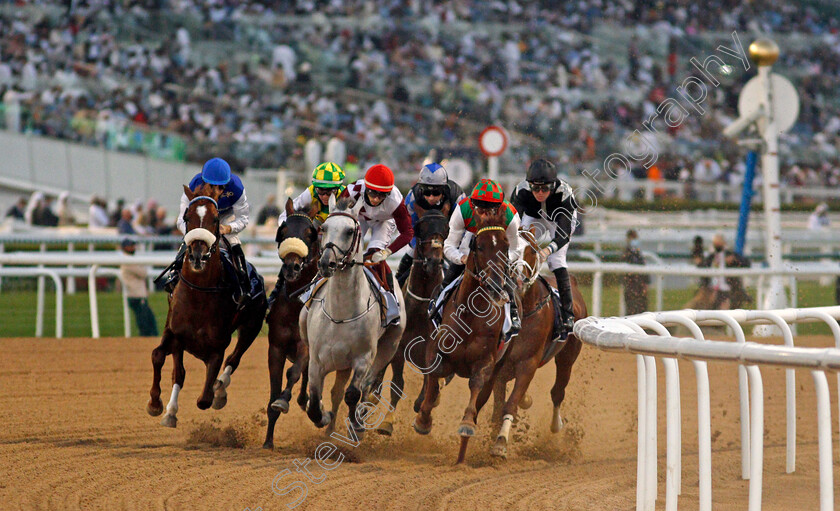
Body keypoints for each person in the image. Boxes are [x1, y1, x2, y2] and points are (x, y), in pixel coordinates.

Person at [432, 178, 522, 335]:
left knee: (508, 279)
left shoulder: (510, 217)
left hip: (497, 251)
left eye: (490, 211)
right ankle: (438, 306)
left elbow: (516, 250)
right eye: (480, 210)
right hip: (471, 243)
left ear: (499, 209)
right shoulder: (463, 209)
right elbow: (449, 246)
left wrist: (498, 262)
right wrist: (462, 259)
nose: (484, 216)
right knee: (449, 278)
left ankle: (513, 312)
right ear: (472, 205)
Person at [163, 158, 252, 307]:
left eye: (221, 187)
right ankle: (173, 274)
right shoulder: (194, 185)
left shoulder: (236, 188)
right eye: (212, 186)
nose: (216, 191)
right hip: (202, 219)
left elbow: (243, 218)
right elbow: (181, 219)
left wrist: (228, 228)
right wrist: (195, 232)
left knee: (233, 242)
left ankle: (243, 285)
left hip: (225, 218)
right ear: (204, 182)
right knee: (189, 241)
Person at [511, 158, 578, 334]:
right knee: (516, 251)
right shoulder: (520, 191)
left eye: (545, 188)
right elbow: (511, 225)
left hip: (559, 221)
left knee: (556, 260)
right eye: (535, 188)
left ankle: (567, 315)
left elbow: (563, 235)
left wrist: (547, 250)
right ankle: (511, 306)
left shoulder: (564, 194)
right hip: (535, 217)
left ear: (553, 185)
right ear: (529, 185)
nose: (540, 192)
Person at [345, 164, 414, 293]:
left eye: (382, 195)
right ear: (366, 188)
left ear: (388, 193)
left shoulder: (396, 201)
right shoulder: (352, 190)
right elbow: (336, 216)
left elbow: (407, 233)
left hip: (384, 221)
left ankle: (391, 296)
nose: (376, 199)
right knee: (347, 251)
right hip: (359, 217)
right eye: (372, 193)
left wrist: (387, 252)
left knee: (374, 257)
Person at [395, 162, 465, 285]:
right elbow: (408, 227)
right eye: (427, 192)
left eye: (436, 192)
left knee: (461, 255)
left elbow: (463, 226)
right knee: (411, 251)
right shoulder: (413, 197)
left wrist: (449, 246)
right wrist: (419, 246)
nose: (431, 197)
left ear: (444, 190)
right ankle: (397, 285)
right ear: (421, 189)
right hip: (424, 235)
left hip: (451, 232)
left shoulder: (457, 196)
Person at [278, 162, 346, 226]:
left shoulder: (347, 194)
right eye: (320, 190)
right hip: (318, 226)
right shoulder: (310, 192)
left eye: (330, 192)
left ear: (338, 188)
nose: (325, 196)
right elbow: (284, 216)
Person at [120, 238, 159, 336]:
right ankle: (143, 346)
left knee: (149, 323)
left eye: (133, 245)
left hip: (138, 295)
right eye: (131, 246)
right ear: (124, 248)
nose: (133, 248)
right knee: (146, 325)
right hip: (136, 296)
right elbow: (143, 273)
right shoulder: (128, 261)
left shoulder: (130, 260)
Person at [622, 229, 649, 315]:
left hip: (640, 287)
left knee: (642, 309)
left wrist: (646, 283)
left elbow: (644, 269)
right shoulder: (626, 254)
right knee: (631, 310)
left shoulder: (639, 253)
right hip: (631, 287)